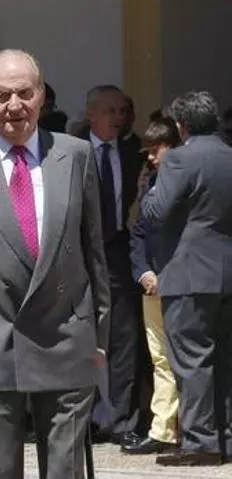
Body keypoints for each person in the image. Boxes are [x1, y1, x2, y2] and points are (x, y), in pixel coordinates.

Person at [0, 49, 111, 479]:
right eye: (2, 96)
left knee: (65, 470)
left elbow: (94, 250)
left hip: (66, 331)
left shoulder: (75, 154)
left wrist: (100, 334)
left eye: (24, 93)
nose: (14, 106)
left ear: (41, 96)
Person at [141, 91, 232, 467]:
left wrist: (150, 188)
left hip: (189, 271)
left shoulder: (179, 158)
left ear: (181, 126)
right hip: (226, 273)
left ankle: (199, 442)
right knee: (224, 360)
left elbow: (156, 212)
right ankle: (224, 437)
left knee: (192, 361)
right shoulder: (229, 155)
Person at [79, 85, 149, 444]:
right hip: (80, 254)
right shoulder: (72, 151)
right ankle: (85, 419)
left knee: (125, 335)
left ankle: (122, 421)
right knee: (81, 336)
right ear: (91, 114)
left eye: (123, 111)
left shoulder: (134, 152)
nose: (119, 118)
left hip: (119, 252)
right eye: (111, 111)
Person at [123, 117, 181, 455]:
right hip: (153, 286)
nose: (150, 157)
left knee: (184, 359)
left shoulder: (188, 184)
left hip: (180, 284)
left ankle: (188, 428)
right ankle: (163, 429)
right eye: (147, 151)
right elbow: (139, 234)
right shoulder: (153, 183)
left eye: (156, 149)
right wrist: (143, 271)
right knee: (160, 358)